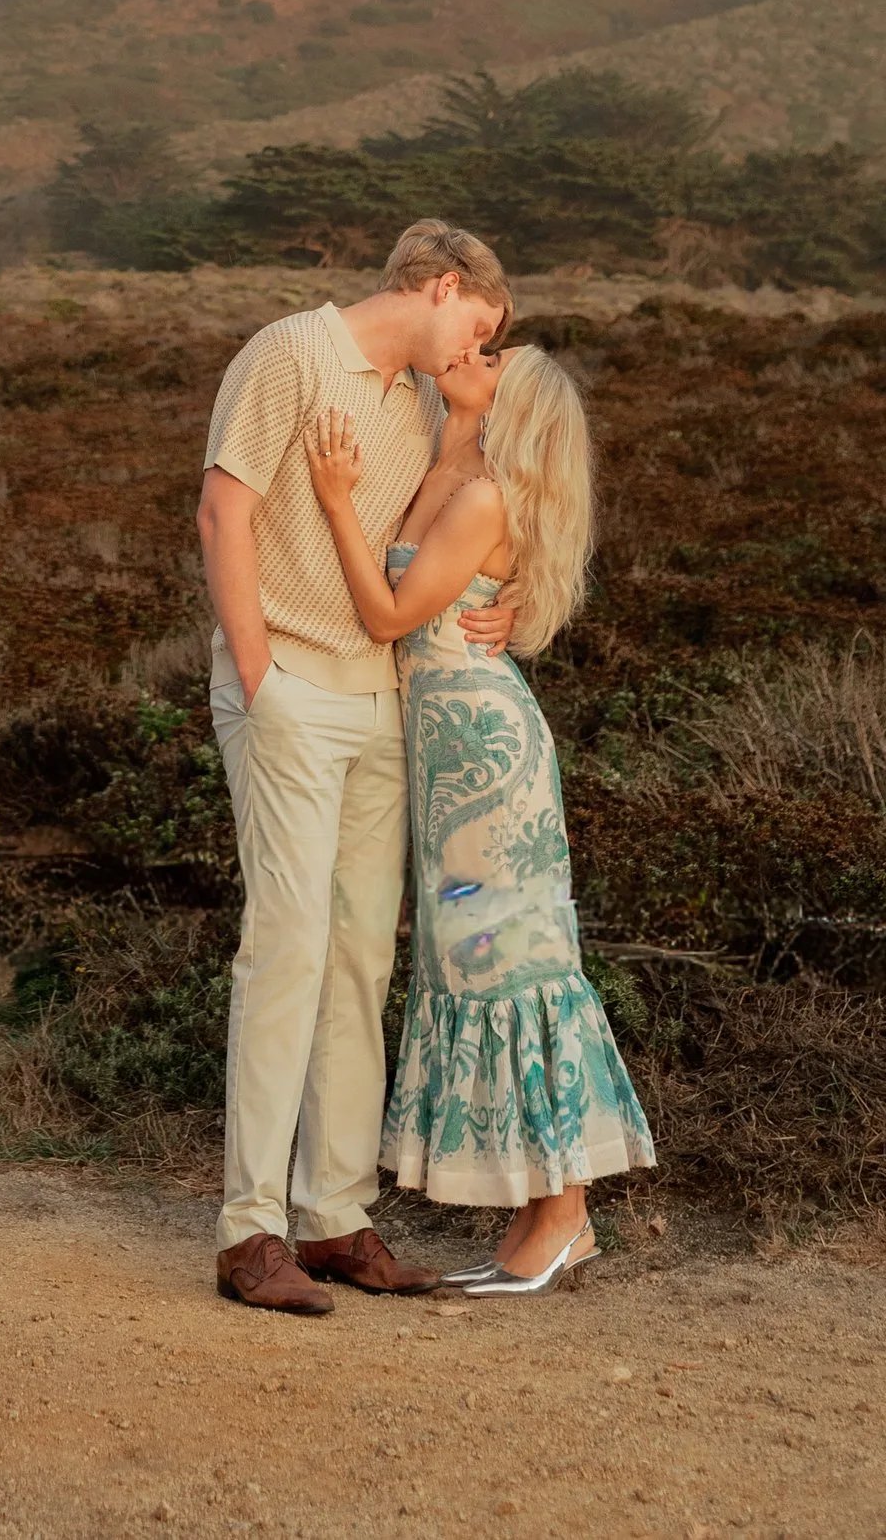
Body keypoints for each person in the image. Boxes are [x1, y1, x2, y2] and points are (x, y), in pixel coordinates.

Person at [196, 219, 515, 1314]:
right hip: (286, 686)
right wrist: (255, 673)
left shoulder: (425, 402)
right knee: (283, 950)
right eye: (480, 325)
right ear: (436, 288)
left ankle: (333, 1216)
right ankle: (250, 1235)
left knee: (355, 962)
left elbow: (427, 533)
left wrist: (499, 586)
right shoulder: (290, 352)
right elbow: (222, 510)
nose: (479, 348)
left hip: (375, 699)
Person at [304, 338, 654, 1294]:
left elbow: (388, 617)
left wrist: (336, 502)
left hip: (487, 762)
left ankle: (569, 1214)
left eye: (494, 357)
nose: (471, 354)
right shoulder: (440, 462)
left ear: (514, 402)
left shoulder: (485, 494)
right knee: (475, 966)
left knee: (517, 967)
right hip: (446, 758)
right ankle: (542, 1216)